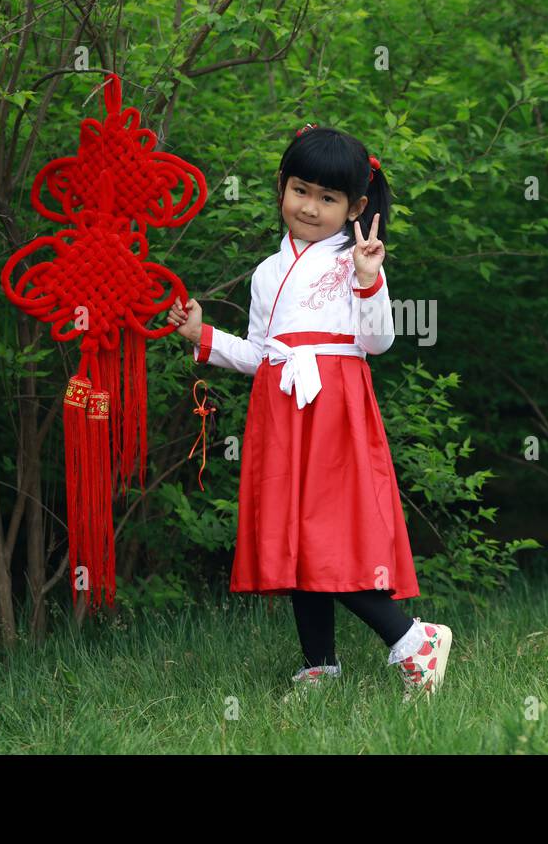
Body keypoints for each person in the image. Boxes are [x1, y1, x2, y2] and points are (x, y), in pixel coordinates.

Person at [167, 124, 452, 702]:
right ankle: (319, 666)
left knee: (327, 536)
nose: (311, 207)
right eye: (302, 190)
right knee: (294, 533)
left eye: (329, 198)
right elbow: (259, 355)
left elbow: (378, 343)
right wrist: (203, 336)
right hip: (280, 412)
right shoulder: (268, 272)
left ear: (356, 207)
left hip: (335, 412)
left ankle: (414, 640)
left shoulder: (357, 261)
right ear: (281, 187)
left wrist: (370, 282)